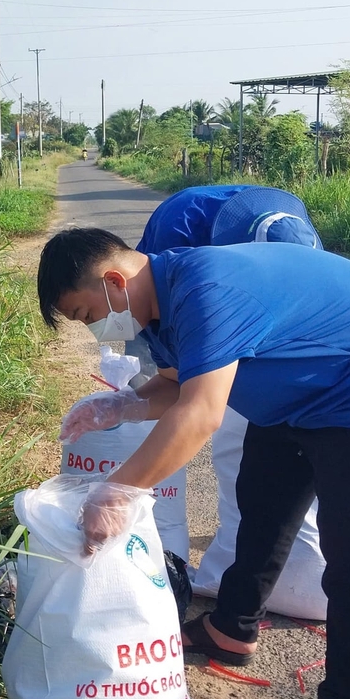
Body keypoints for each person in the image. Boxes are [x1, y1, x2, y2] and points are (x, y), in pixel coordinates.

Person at [37, 229, 350, 699]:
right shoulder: (155, 307)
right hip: (293, 390)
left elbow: (200, 414)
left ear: (114, 282)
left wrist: (116, 491)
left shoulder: (206, 291)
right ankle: (232, 629)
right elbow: (177, 382)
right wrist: (123, 405)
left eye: (87, 315)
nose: (95, 330)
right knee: (262, 507)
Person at [130, 185, 327, 616]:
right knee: (239, 453)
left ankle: (265, 577)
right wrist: (135, 403)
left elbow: (202, 412)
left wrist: (118, 490)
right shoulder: (182, 227)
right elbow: (160, 318)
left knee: (266, 454)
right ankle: (252, 578)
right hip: (194, 312)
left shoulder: (296, 240)